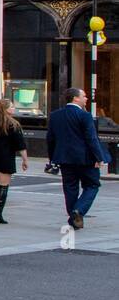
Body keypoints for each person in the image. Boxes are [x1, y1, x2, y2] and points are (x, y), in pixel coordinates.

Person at [46, 87, 112, 230]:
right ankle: (79, 211)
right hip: (85, 159)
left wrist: (53, 159)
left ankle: (73, 218)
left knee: (70, 188)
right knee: (92, 185)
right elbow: (91, 138)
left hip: (64, 159)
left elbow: (50, 139)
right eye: (84, 96)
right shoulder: (84, 116)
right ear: (75, 98)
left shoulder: (55, 115)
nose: (86, 98)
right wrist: (99, 157)